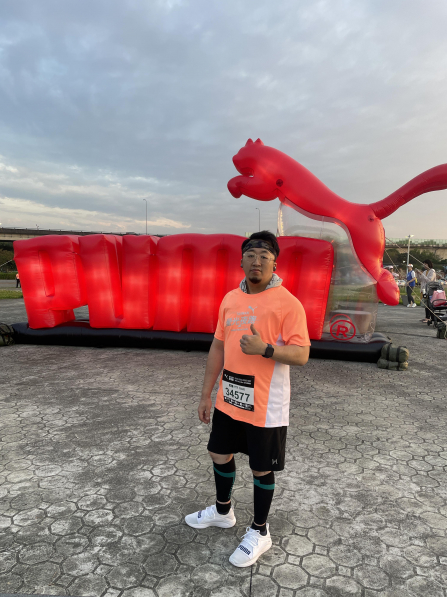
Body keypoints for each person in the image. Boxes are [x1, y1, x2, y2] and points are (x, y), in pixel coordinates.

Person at [185, 231, 310, 567]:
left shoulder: (287, 303)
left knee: (260, 466)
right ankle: (223, 512)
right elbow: (218, 346)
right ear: (241, 261)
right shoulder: (230, 299)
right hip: (230, 397)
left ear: (274, 264)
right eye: (251, 255)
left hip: (266, 404)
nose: (257, 261)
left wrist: (265, 349)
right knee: (218, 452)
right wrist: (206, 394)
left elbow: (301, 354)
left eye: (264, 257)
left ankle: (260, 531)